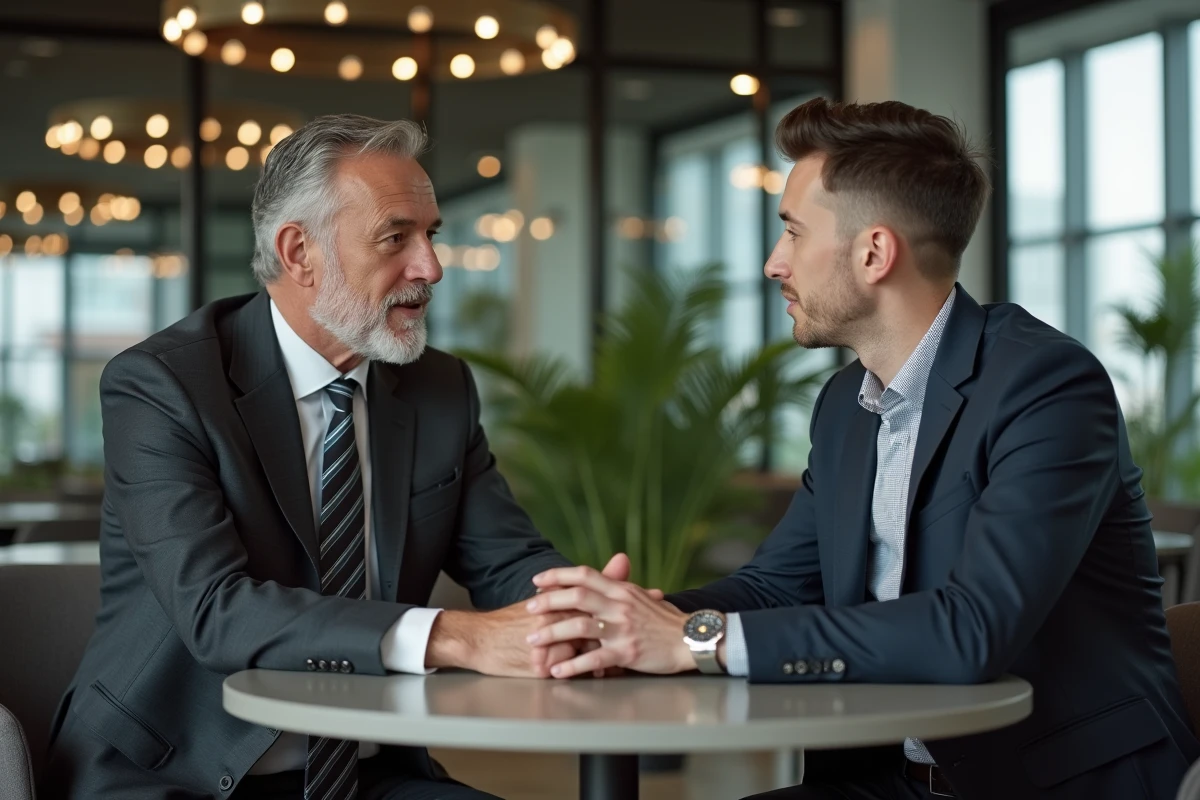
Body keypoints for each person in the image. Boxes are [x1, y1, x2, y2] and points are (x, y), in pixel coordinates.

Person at [524, 98, 1200, 800]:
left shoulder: (1046, 384)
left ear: (874, 252)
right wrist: (628, 620)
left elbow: (971, 630)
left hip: (1053, 783)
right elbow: (775, 588)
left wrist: (697, 639)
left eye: (793, 232)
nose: (773, 263)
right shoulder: (846, 403)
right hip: (880, 780)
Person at [43, 114, 623, 800]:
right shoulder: (164, 386)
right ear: (300, 253)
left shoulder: (440, 388)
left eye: (431, 235)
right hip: (176, 772)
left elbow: (505, 561)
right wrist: (454, 636)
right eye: (396, 237)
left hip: (367, 773)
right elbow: (216, 610)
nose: (431, 268)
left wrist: (582, 611)